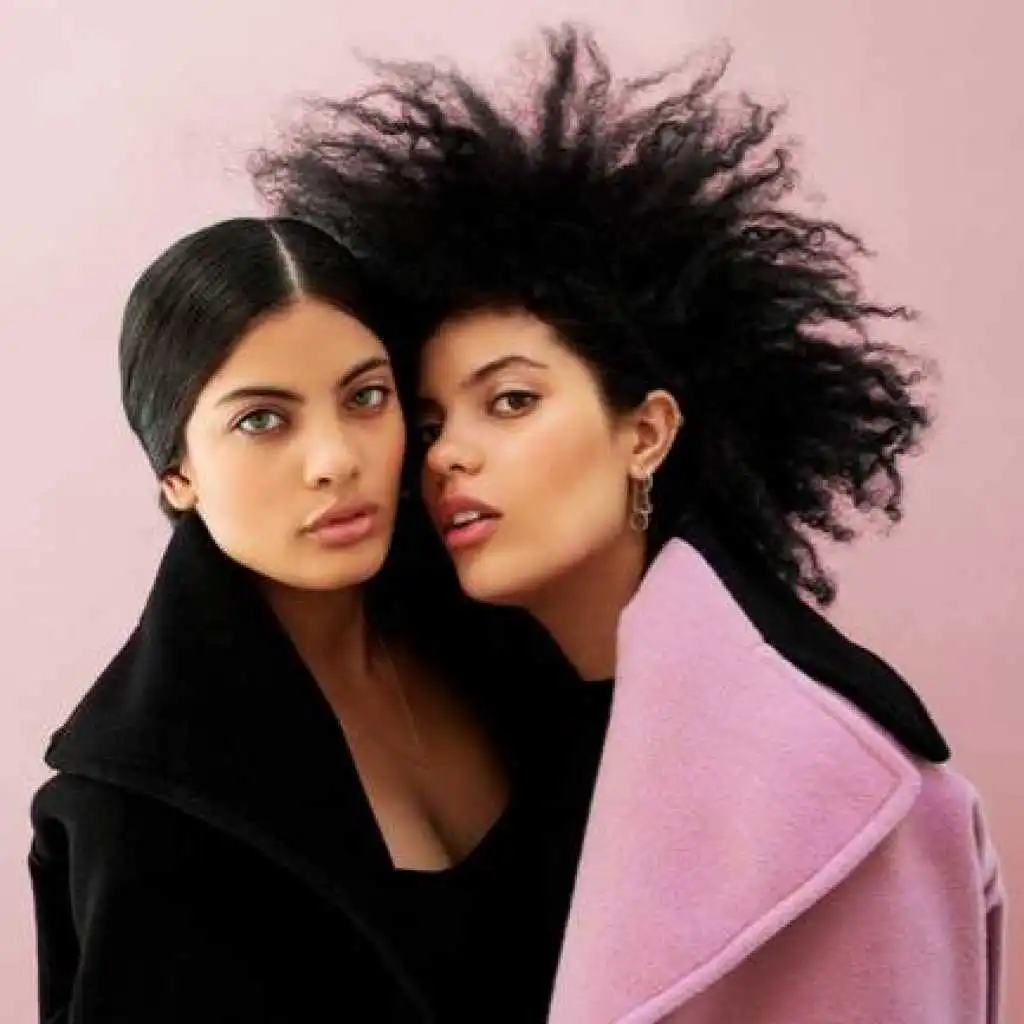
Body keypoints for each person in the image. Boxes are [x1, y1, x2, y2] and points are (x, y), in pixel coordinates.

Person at [252, 26, 1006, 1022]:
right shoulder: (487, 730)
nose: (445, 456)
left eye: (510, 401)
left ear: (644, 432)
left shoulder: (838, 781)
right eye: (429, 425)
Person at [28, 216, 599, 1023]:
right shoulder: (138, 813)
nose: (335, 460)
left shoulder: (512, 631)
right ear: (177, 471)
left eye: (366, 397)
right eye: (262, 419)